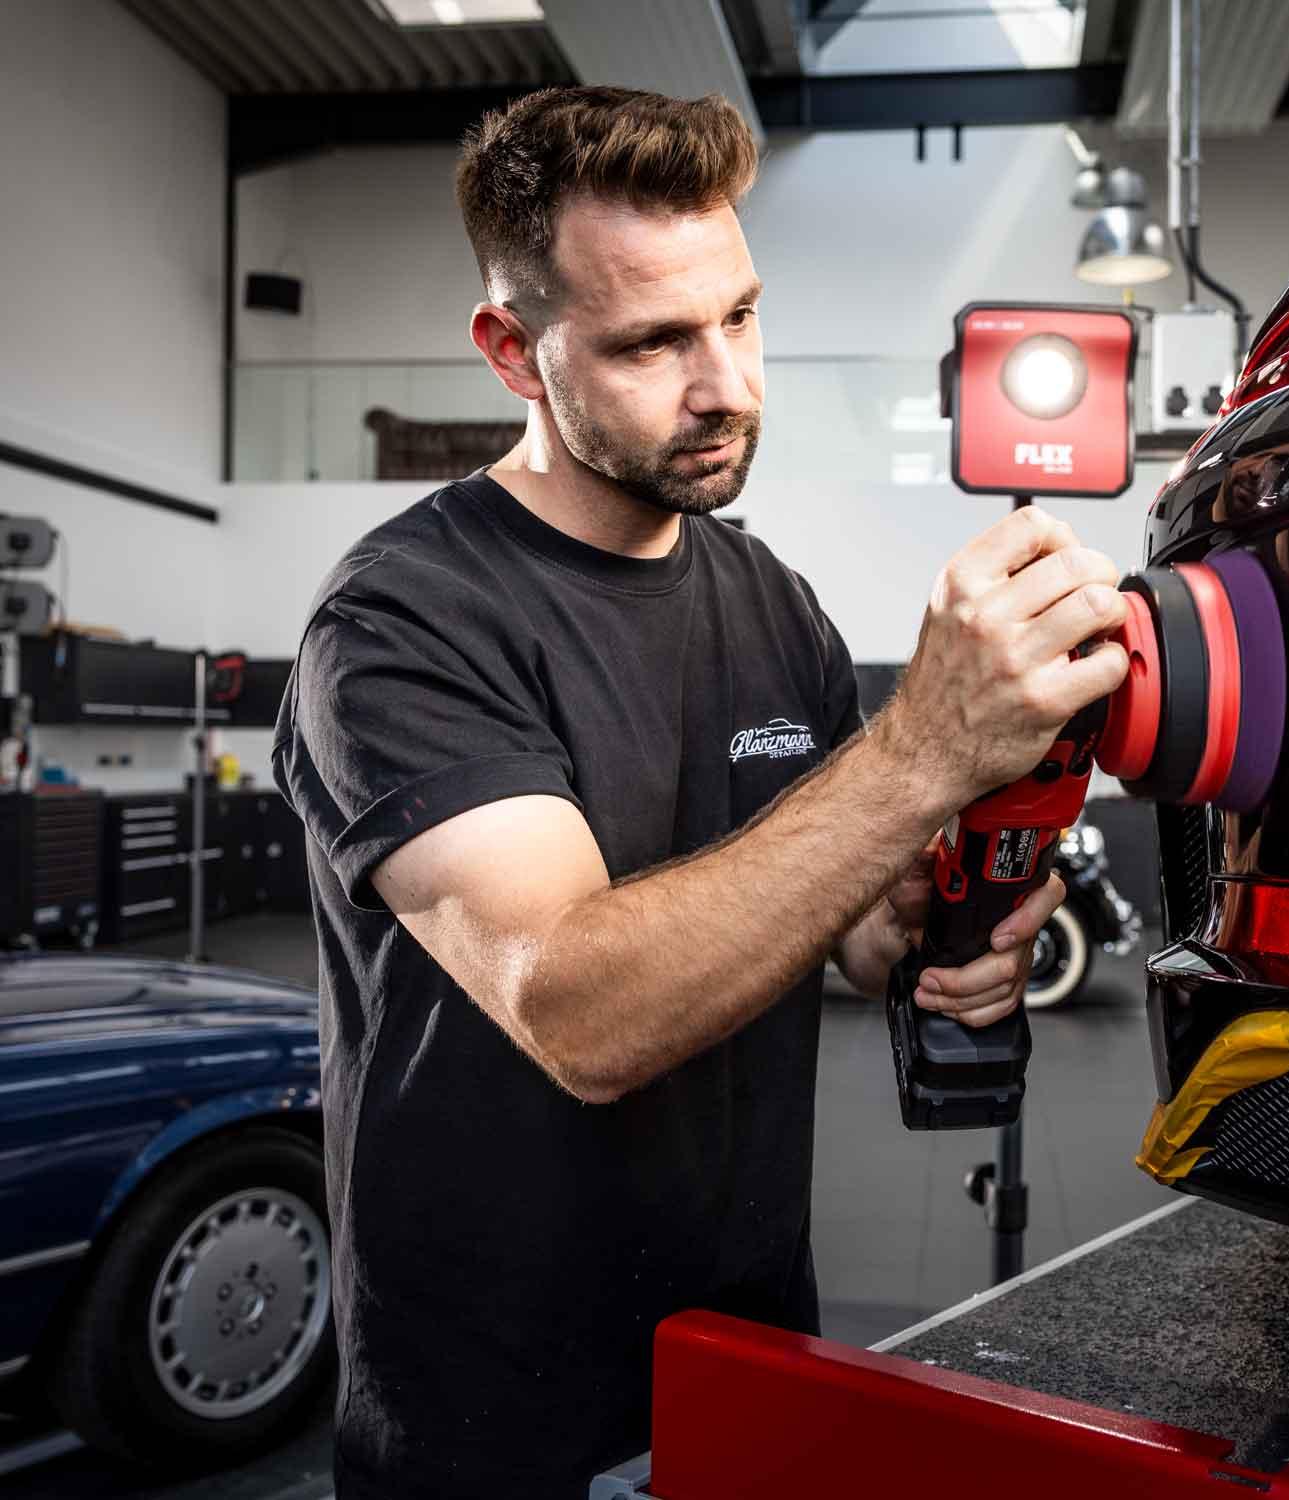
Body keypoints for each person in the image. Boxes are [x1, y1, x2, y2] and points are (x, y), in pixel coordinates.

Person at [272, 86, 1128, 1499]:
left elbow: (838, 933)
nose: (727, 380)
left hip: (741, 1364)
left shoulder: (768, 597)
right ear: (514, 353)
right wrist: (916, 752)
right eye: (655, 341)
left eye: (738, 314)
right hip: (496, 1422)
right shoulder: (404, 620)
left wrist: (931, 927)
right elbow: (581, 1011)